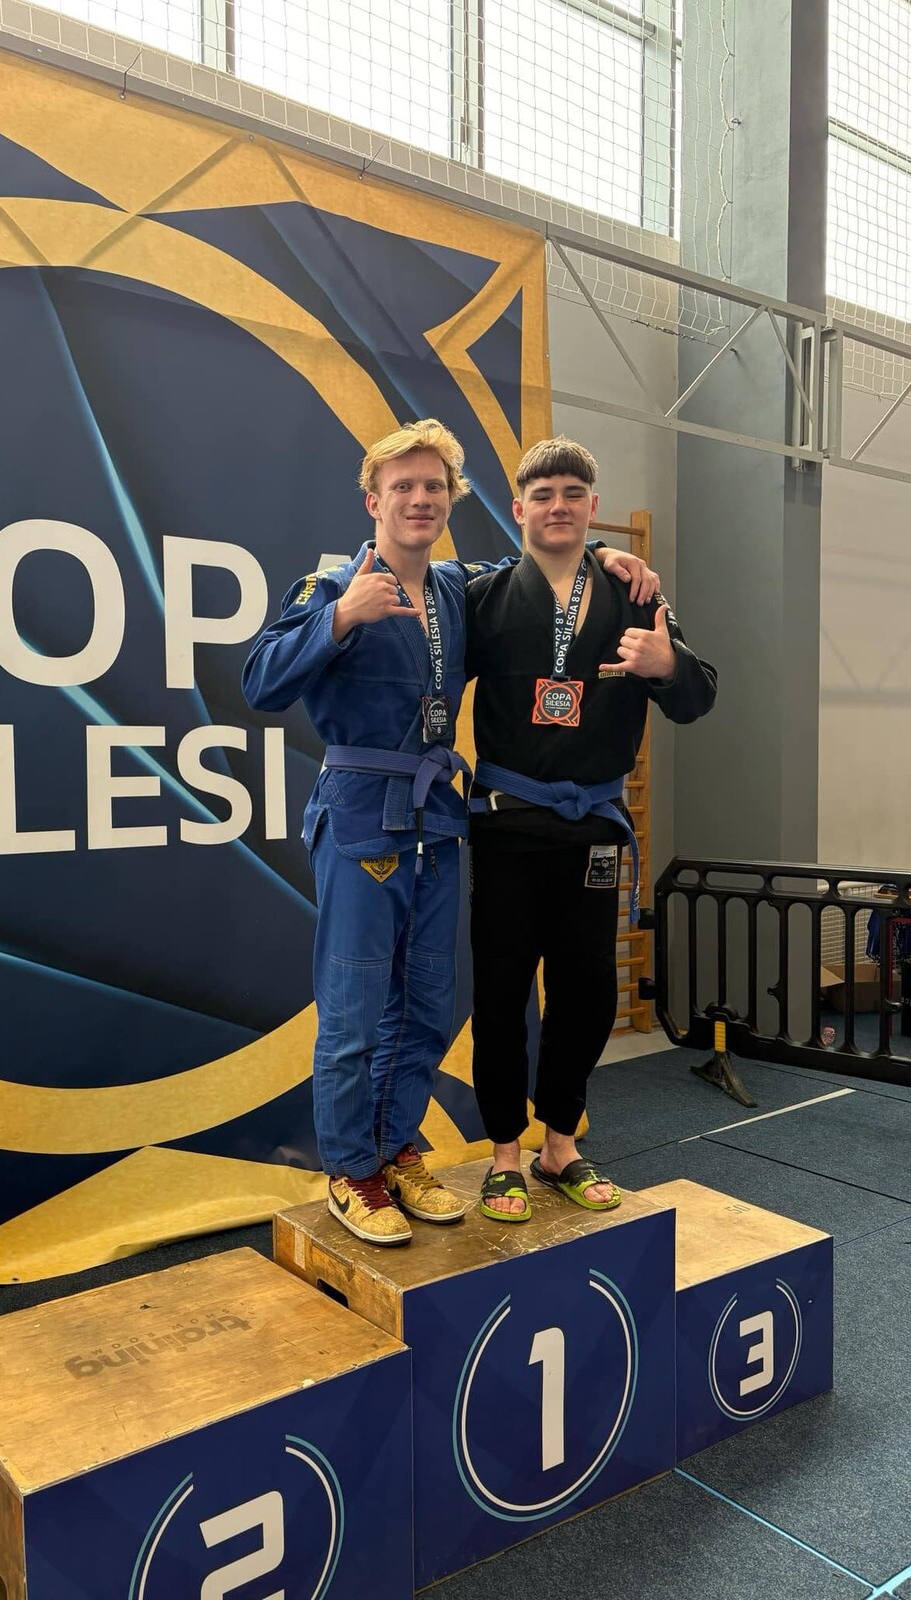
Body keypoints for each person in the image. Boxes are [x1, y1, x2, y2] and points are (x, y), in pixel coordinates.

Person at [242, 420, 658, 1246]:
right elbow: (259, 681)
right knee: (356, 1010)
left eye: (434, 486)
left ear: (452, 499)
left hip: (439, 817)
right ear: (374, 501)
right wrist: (340, 619)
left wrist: (609, 554)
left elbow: (544, 566)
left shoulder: (456, 588)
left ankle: (398, 1151)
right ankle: (351, 1170)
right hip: (363, 811)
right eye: (403, 486)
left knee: (429, 1005)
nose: (420, 499)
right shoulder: (332, 585)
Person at [465, 436, 717, 1223]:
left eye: (573, 493)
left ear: (593, 507)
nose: (559, 507)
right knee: (501, 993)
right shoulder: (484, 596)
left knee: (587, 993)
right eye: (543, 496)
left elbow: (699, 697)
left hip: (594, 829)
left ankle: (559, 1145)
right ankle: (503, 1153)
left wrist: (666, 665)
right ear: (518, 509)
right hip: (508, 824)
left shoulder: (635, 599)